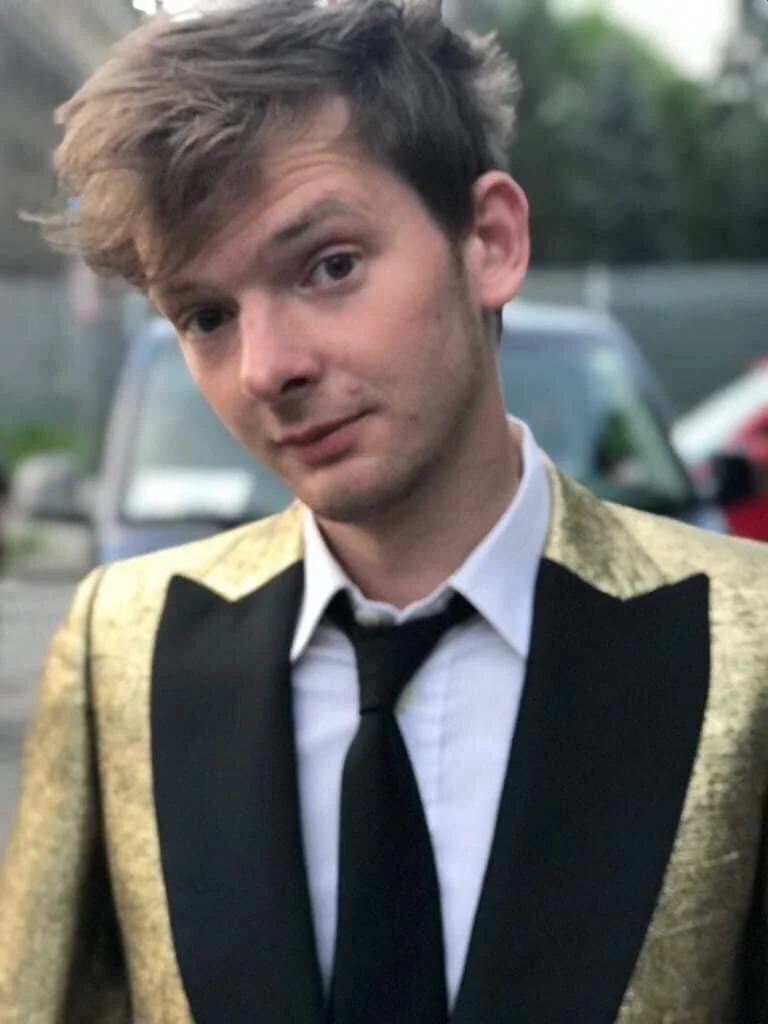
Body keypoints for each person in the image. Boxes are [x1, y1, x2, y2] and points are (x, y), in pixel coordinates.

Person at [1, 1, 767, 1021]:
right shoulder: (122, 646)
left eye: (330, 266)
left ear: (490, 241)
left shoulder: (748, 641)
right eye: (206, 315)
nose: (267, 367)